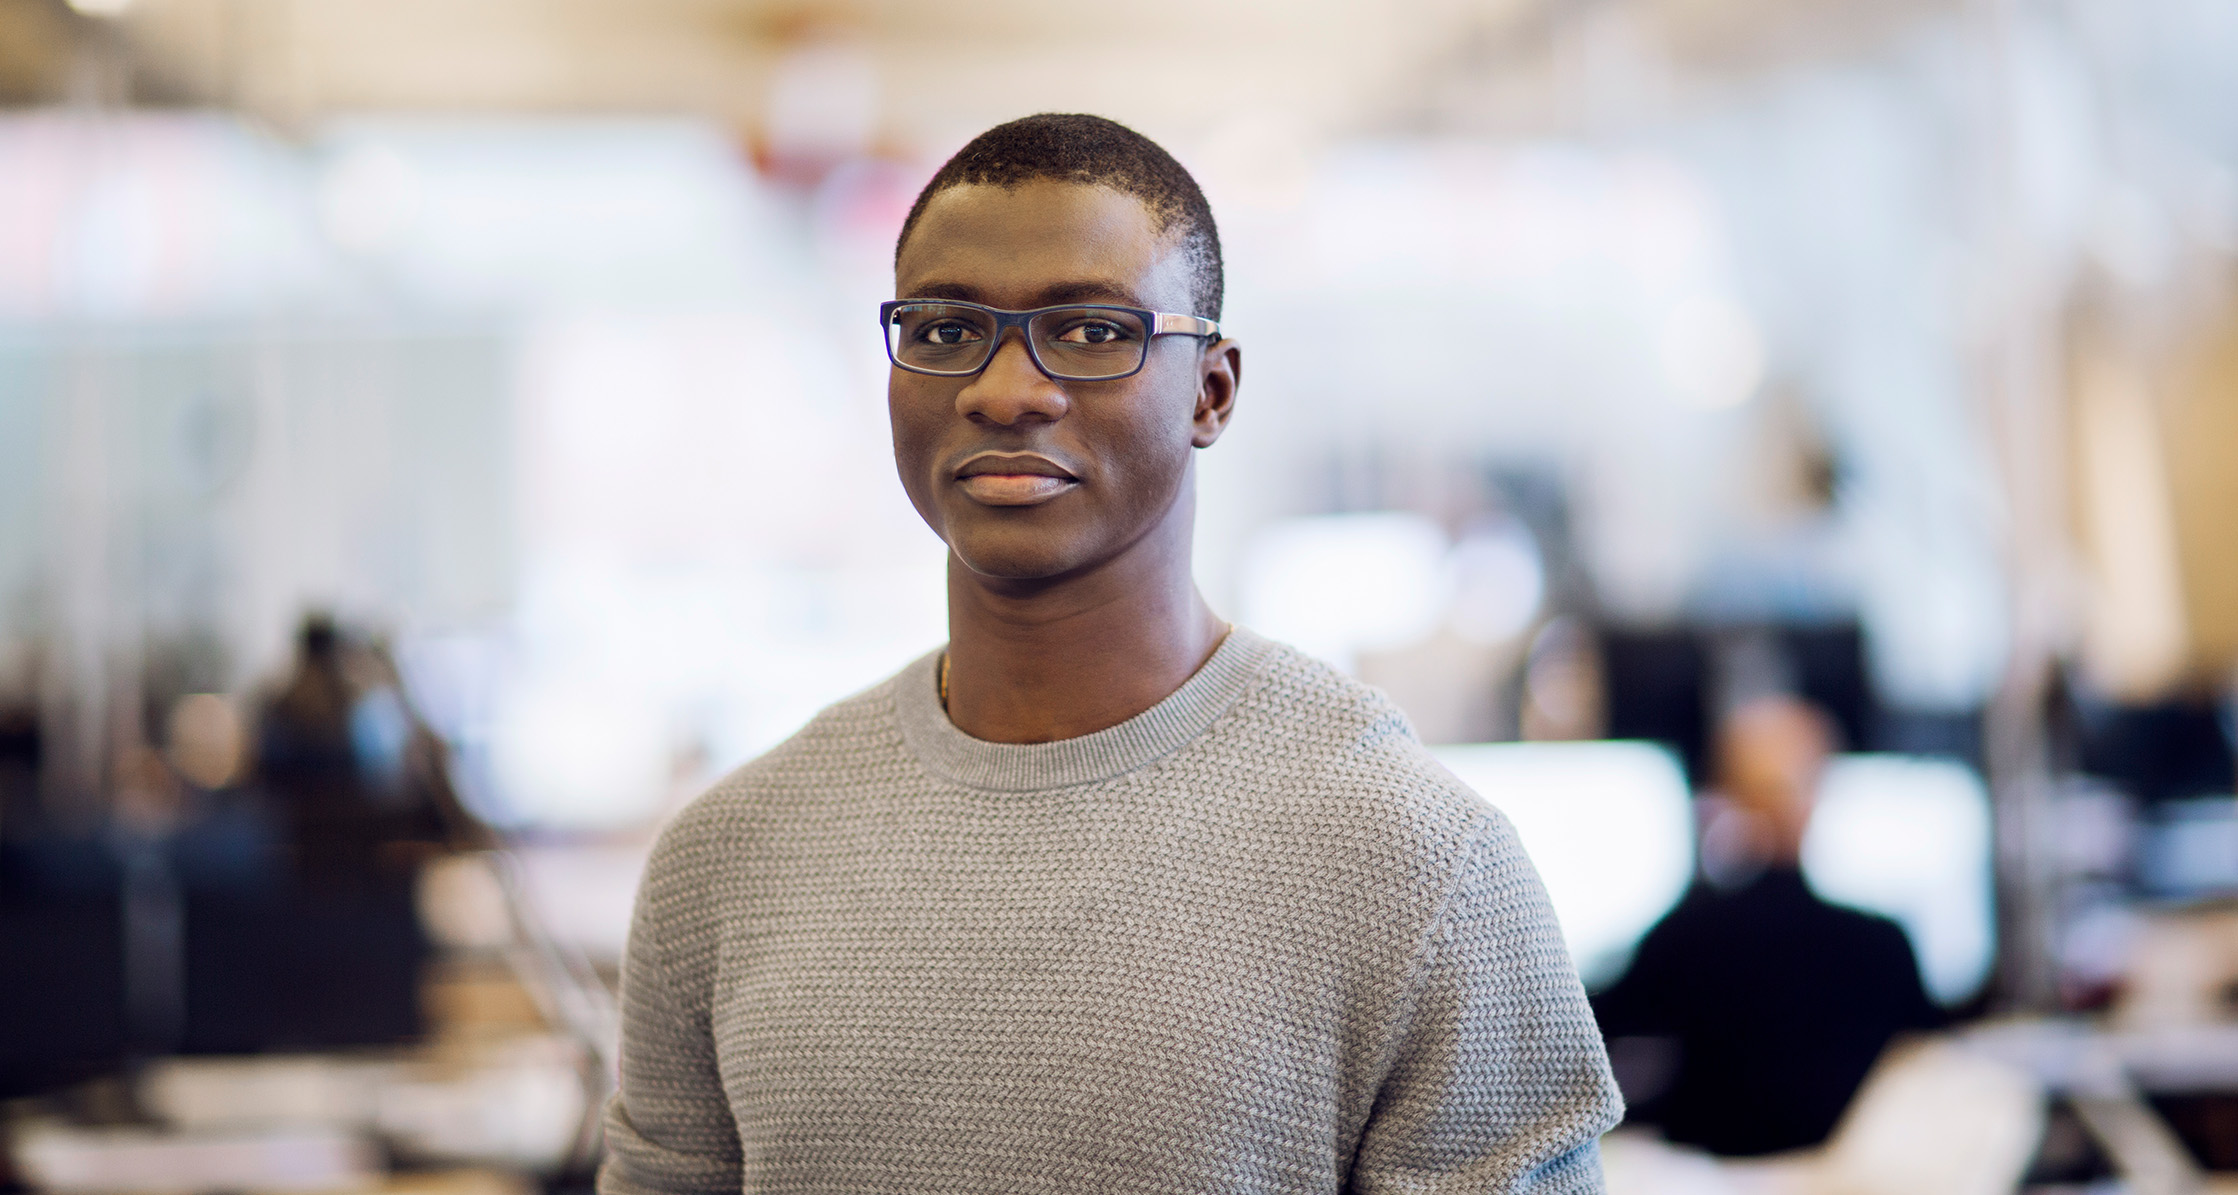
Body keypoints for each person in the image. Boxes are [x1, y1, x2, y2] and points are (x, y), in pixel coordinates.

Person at [597, 114, 1620, 1195]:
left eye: (1089, 330)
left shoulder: (1418, 861)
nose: (1003, 388)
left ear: (1212, 392)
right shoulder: (728, 860)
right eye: (945, 329)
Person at [1591, 695, 1940, 1157]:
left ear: (1726, 794)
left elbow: (1592, 1036)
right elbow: (1932, 1065)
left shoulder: (1684, 938)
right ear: (1818, 794)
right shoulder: (1883, 945)